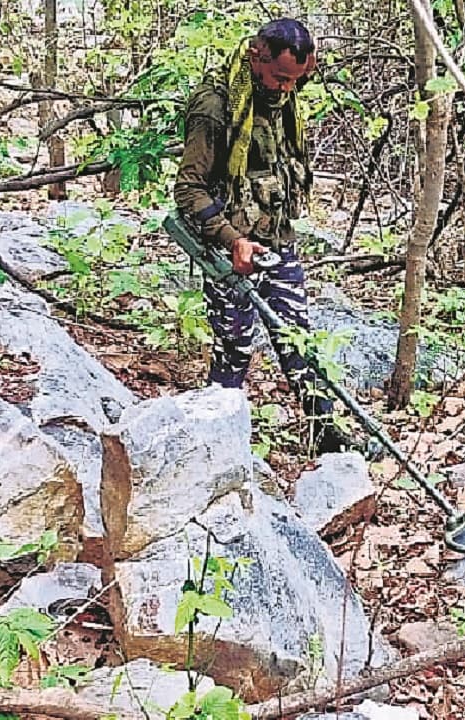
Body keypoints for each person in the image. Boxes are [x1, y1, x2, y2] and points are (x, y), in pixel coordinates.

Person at [173, 18, 352, 454]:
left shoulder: (280, 95)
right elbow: (188, 190)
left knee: (298, 340)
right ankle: (216, 442)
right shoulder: (214, 107)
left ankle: (323, 435)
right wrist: (232, 239)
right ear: (257, 56)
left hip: (276, 242)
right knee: (234, 348)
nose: (288, 89)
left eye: (297, 79)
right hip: (229, 248)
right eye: (280, 78)